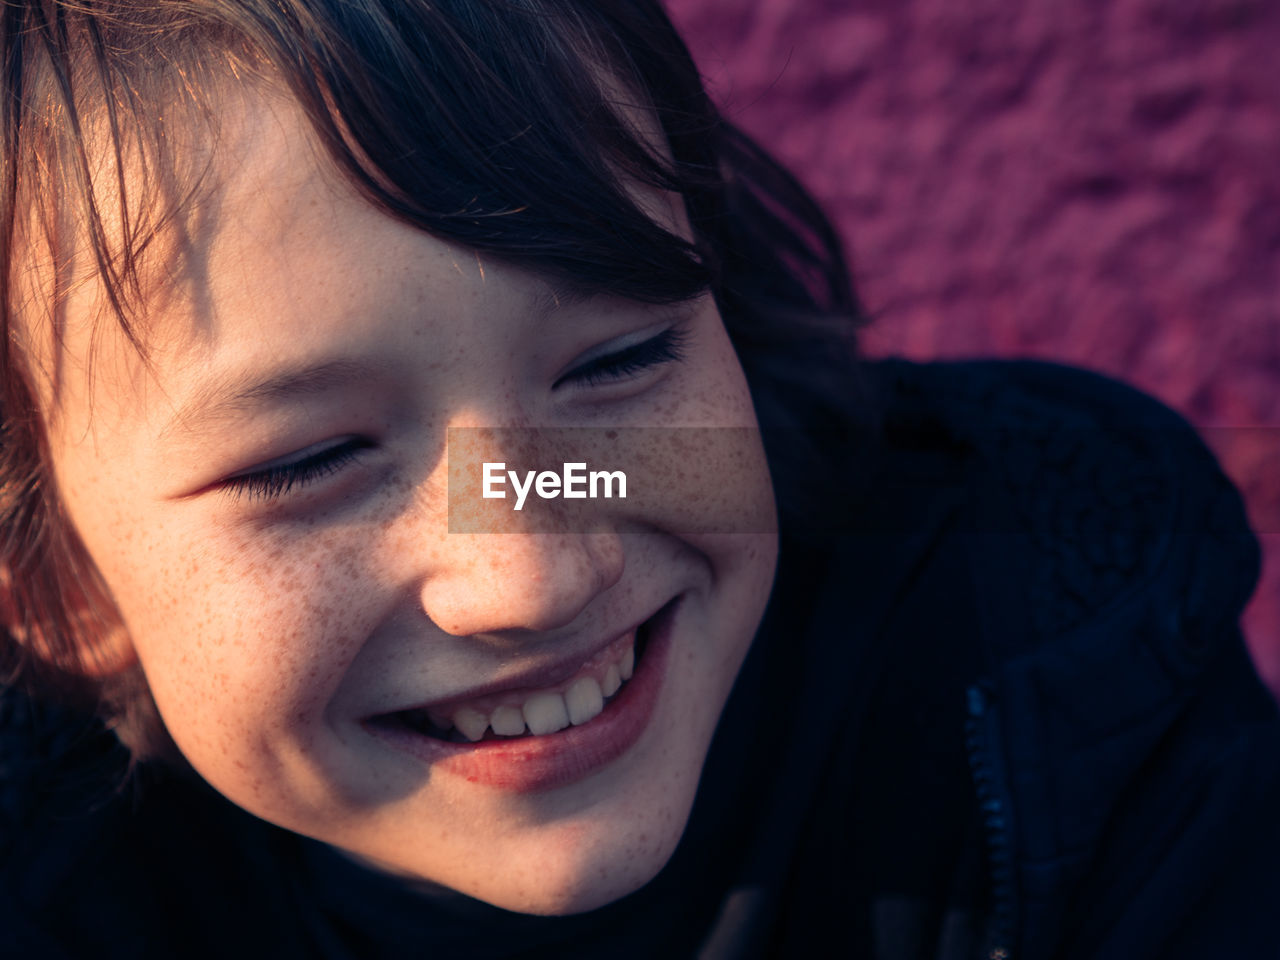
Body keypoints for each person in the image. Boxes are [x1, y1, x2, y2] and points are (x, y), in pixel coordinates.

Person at [0, 1, 1276, 957]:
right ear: (61, 588)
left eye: (617, 363)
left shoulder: (1048, 645)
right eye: (311, 459)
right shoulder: (55, 888)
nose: (531, 572)